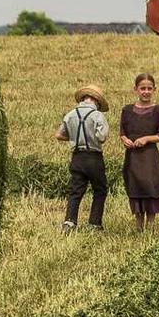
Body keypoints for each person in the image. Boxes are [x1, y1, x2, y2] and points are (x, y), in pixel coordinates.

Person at [117, 72, 159, 233]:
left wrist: (146, 138)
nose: (146, 92)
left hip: (149, 158)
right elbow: (122, 131)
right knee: (136, 188)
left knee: (150, 188)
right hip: (133, 158)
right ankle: (139, 227)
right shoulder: (127, 110)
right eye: (142, 88)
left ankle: (151, 227)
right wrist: (124, 139)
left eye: (149, 88)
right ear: (136, 89)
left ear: (154, 89)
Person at [56, 84, 110, 232]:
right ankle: (94, 224)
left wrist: (74, 137)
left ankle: (69, 222)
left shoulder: (70, 114)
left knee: (75, 190)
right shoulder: (98, 115)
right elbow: (102, 137)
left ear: (83, 98)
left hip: (77, 157)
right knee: (100, 189)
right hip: (93, 157)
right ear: (96, 101)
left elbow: (59, 135)